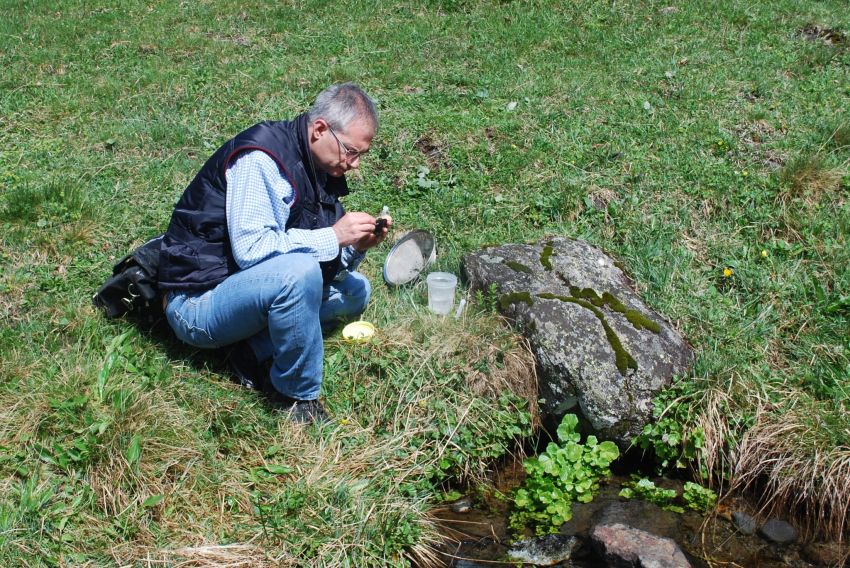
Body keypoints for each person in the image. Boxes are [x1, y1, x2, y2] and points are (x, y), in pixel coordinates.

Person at [157, 83, 389, 424]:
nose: (354, 164)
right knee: (299, 273)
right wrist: (334, 235)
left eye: (361, 155)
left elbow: (321, 262)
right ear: (320, 129)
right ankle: (294, 397)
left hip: (248, 290)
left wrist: (353, 248)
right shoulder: (262, 159)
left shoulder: (320, 165)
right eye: (351, 151)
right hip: (197, 302)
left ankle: (249, 352)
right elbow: (253, 252)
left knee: (356, 291)